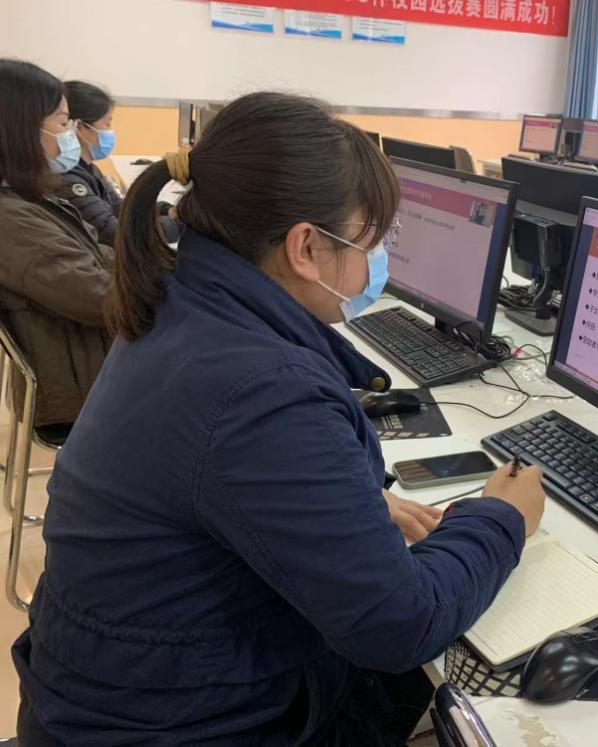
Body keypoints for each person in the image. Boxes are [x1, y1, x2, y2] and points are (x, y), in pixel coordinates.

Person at [13, 91, 547, 745]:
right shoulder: (262, 390)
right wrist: (502, 518)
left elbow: (214, 472)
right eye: (375, 240)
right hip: (173, 726)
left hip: (112, 692)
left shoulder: (183, 301)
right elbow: (399, 625)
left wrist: (339, 502)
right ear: (305, 247)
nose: (379, 259)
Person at [0, 59, 113, 429]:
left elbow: (97, 255)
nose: (69, 135)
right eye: (63, 123)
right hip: (83, 392)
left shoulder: (28, 198)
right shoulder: (11, 219)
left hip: (93, 365)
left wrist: (159, 266)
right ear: (19, 128)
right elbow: (101, 299)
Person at [58, 80, 181, 245]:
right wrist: (177, 224)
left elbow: (123, 209)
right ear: (80, 127)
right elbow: (114, 232)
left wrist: (165, 211)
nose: (110, 131)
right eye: (107, 123)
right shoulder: (69, 180)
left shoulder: (88, 168)